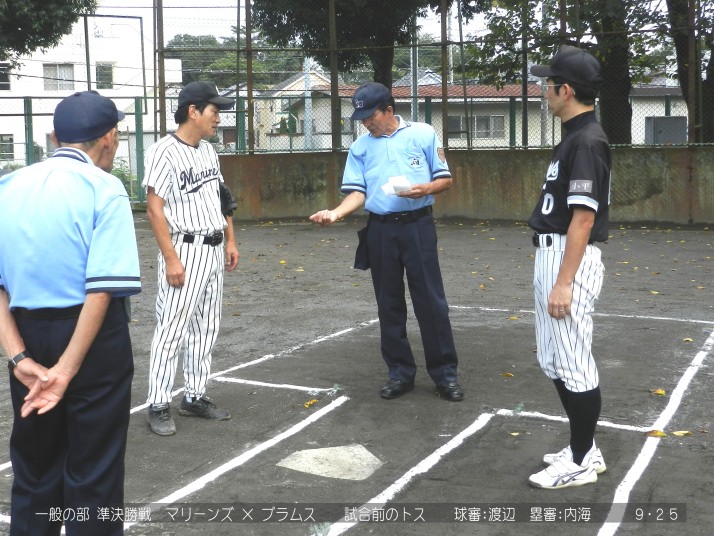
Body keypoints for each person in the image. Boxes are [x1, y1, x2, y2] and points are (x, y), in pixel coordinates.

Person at [0, 91, 141, 535]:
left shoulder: (7, 186)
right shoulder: (105, 188)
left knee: (35, 471)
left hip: (26, 334)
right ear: (109, 138)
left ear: (55, 136)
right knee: (94, 472)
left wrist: (18, 357)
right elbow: (100, 290)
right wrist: (66, 369)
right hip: (91, 341)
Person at [310, 82, 463, 402]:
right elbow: (358, 193)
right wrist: (336, 213)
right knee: (388, 303)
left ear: (389, 110)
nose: (366, 122)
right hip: (380, 230)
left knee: (431, 301)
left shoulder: (423, 134)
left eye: (371, 116)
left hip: (418, 226)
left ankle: (445, 374)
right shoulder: (360, 148)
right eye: (362, 118)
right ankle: (400, 373)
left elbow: (445, 179)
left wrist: (424, 189)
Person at [526, 45, 611, 489]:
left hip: (568, 258)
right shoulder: (574, 136)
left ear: (566, 90)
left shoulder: (587, 140)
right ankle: (585, 447)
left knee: (574, 362)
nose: (544, 91)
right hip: (553, 254)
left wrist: (564, 283)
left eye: (549, 84)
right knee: (552, 359)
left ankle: (580, 459)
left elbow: (583, 218)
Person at [144, 80, 240, 436]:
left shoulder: (209, 151)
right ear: (193, 111)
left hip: (213, 248)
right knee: (171, 329)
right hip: (183, 249)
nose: (219, 118)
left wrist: (230, 240)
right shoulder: (163, 151)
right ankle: (158, 403)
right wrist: (171, 258)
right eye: (214, 111)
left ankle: (194, 396)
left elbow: (221, 197)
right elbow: (154, 209)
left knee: (206, 327)